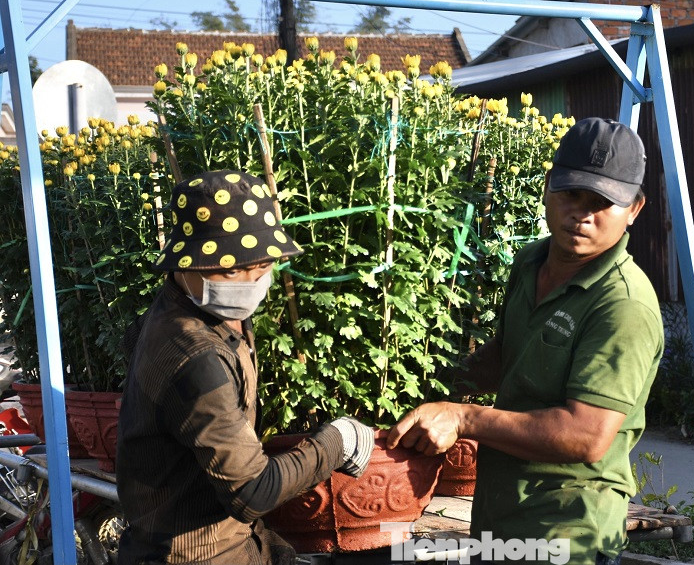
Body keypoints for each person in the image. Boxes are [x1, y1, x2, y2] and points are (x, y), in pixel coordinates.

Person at [388, 117, 664, 564]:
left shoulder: (624, 306)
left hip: (569, 529)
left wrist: (462, 417)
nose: (582, 213)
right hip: (502, 512)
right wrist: (414, 376)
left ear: (634, 209)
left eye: (602, 202)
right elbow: (510, 355)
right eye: (570, 193)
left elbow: (585, 435)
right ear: (547, 187)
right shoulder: (532, 260)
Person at [116, 169, 374, 565]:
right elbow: (252, 491)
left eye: (262, 267)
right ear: (186, 264)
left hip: (231, 541)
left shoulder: (199, 306)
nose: (251, 283)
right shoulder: (194, 356)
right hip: (193, 555)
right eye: (232, 270)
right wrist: (337, 442)